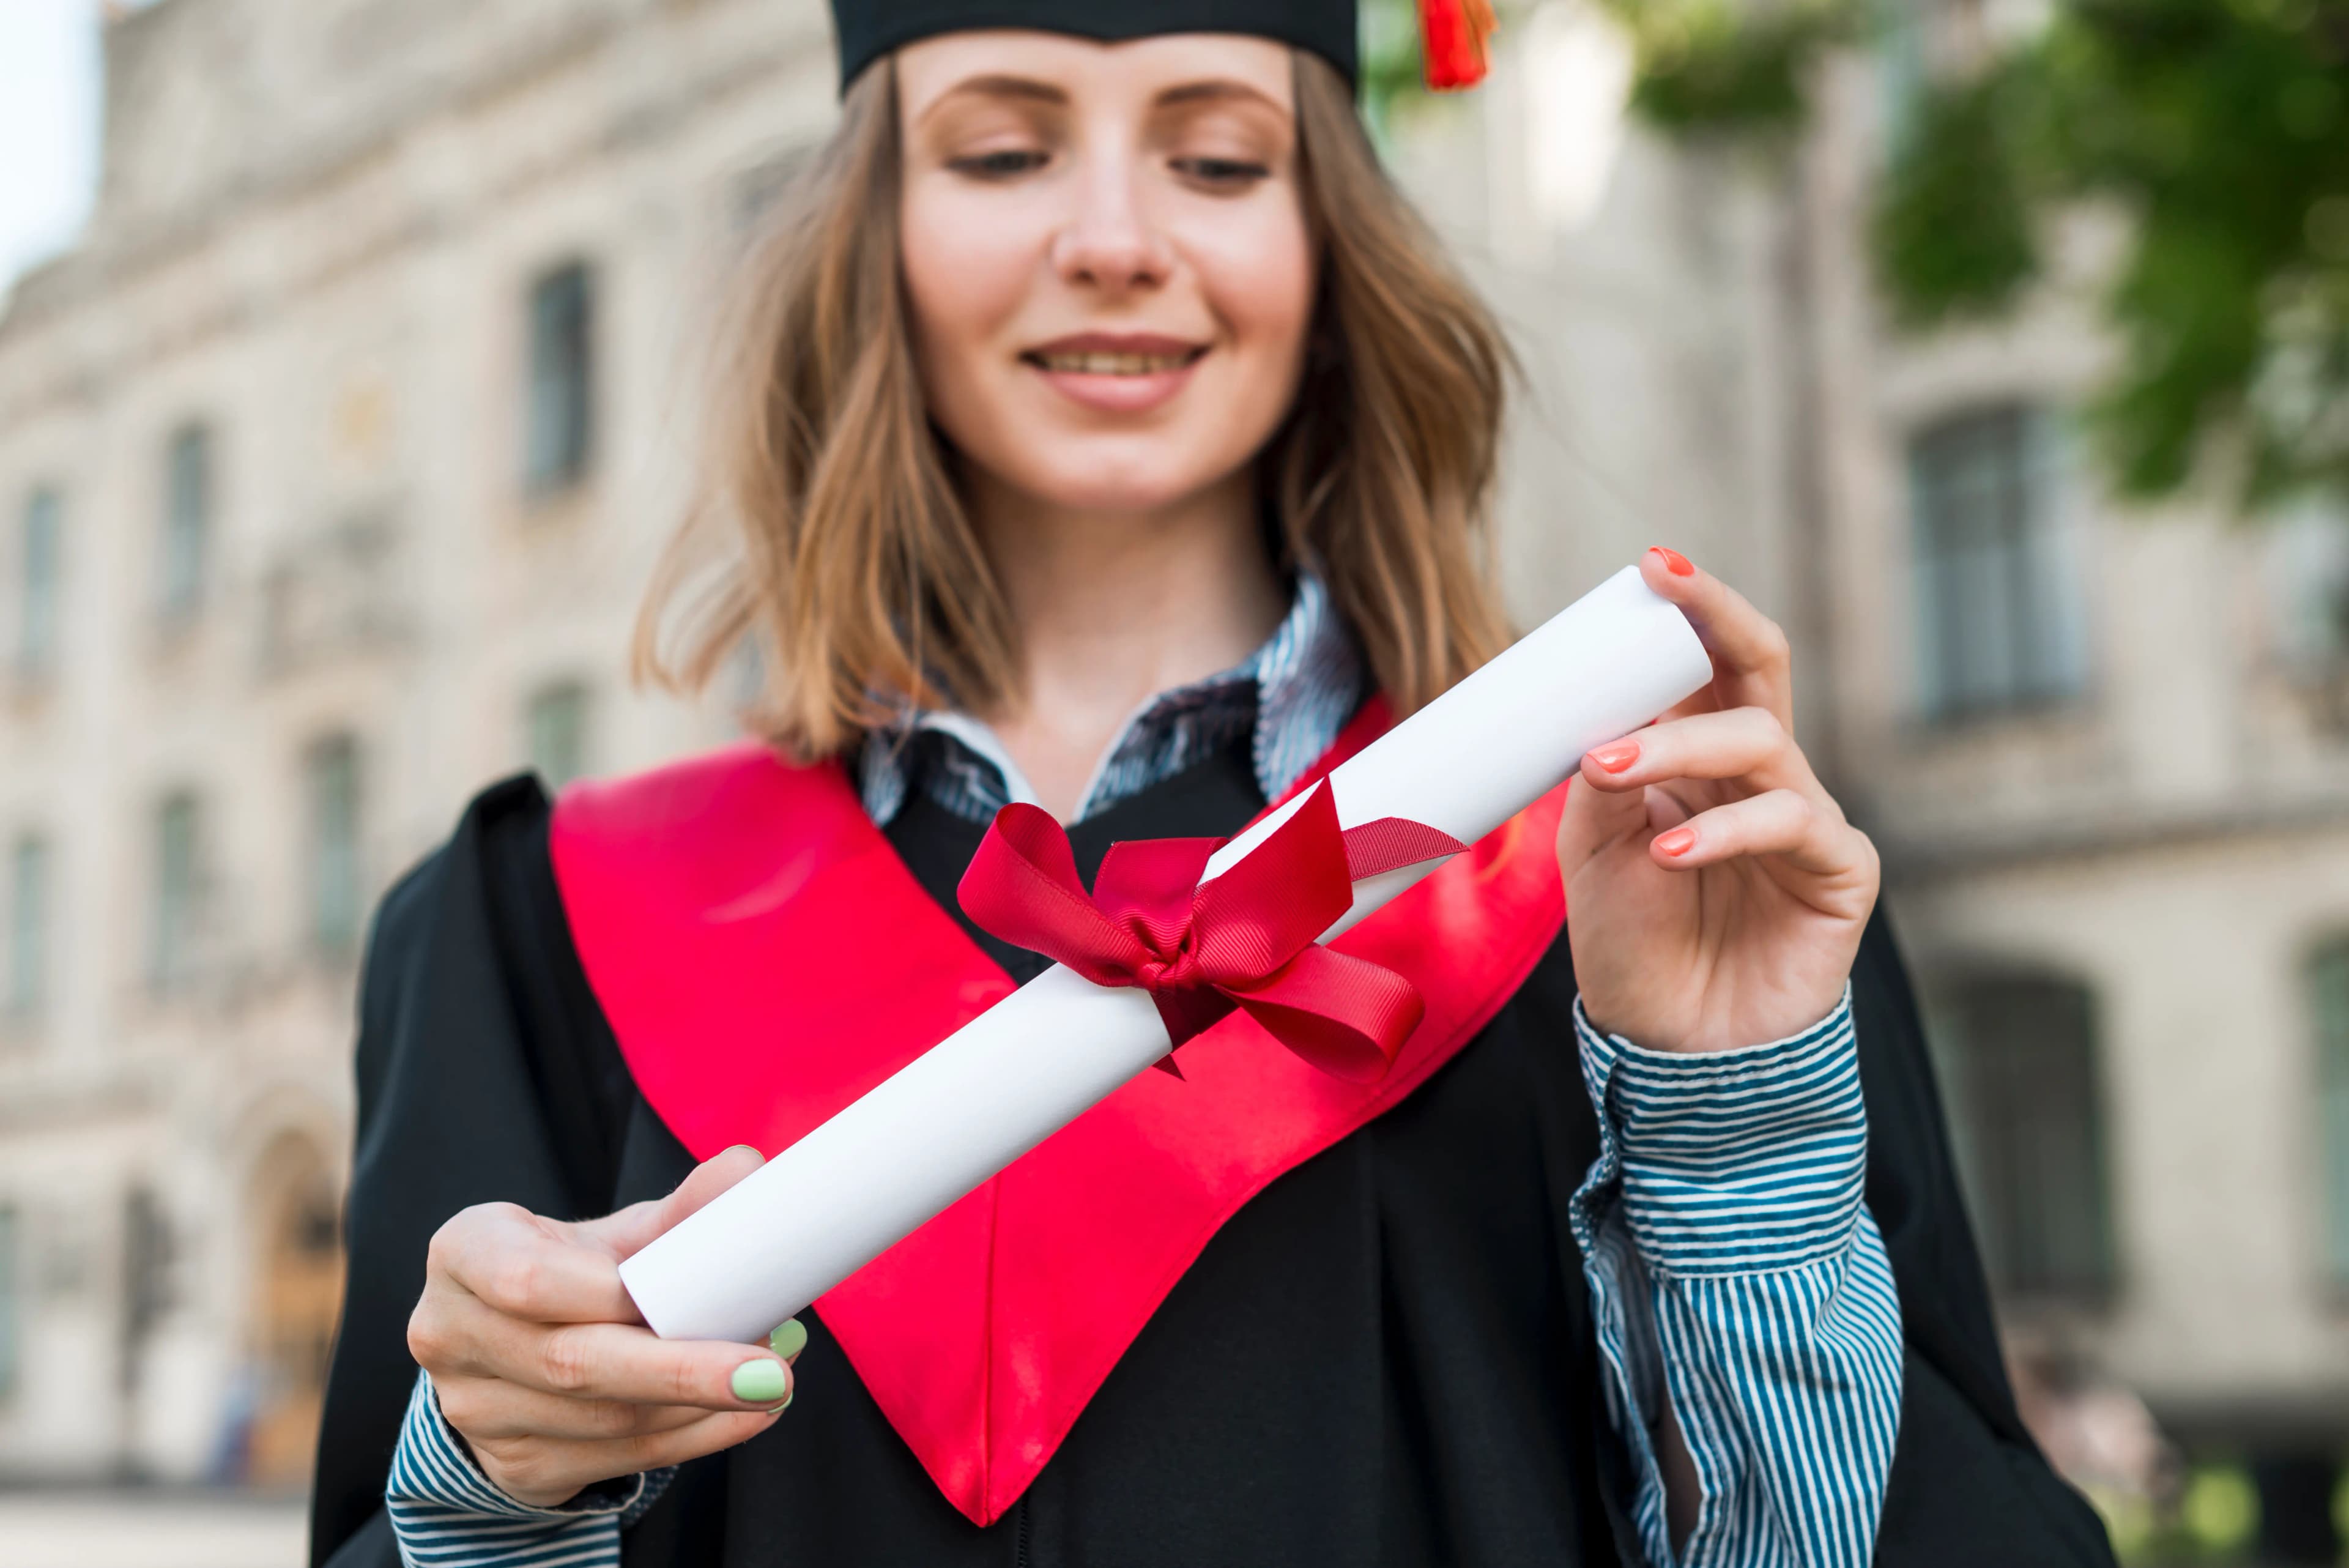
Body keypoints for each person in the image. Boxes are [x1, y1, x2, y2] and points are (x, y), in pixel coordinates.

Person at [308, 4, 2120, 1566]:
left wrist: (1729, 1134)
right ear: (871, 237)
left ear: (1331, 242)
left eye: (1220, 159)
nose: (1113, 237)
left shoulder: (1662, 872)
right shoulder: (543, 927)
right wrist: (498, 1489)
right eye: (1003, 150)